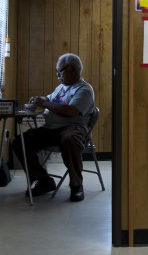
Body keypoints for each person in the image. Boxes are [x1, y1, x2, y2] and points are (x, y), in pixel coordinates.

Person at [13, 53, 94, 202]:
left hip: (73, 127)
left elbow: (71, 111)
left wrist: (46, 104)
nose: (57, 75)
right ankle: (44, 180)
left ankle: (76, 185)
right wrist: (40, 100)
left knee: (70, 139)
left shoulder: (84, 90)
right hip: (52, 129)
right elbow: (49, 100)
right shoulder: (61, 87)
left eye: (60, 71)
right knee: (21, 141)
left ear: (72, 69)